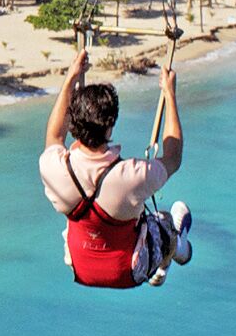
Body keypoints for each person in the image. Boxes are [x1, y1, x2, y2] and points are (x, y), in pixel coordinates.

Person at [41, 38, 191, 288]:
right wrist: (170, 94)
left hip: (81, 267)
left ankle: (167, 254)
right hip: (128, 273)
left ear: (73, 124)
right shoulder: (131, 176)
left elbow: (54, 135)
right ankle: (172, 257)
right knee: (164, 220)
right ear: (109, 128)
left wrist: (71, 78)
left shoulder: (55, 168)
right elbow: (173, 158)